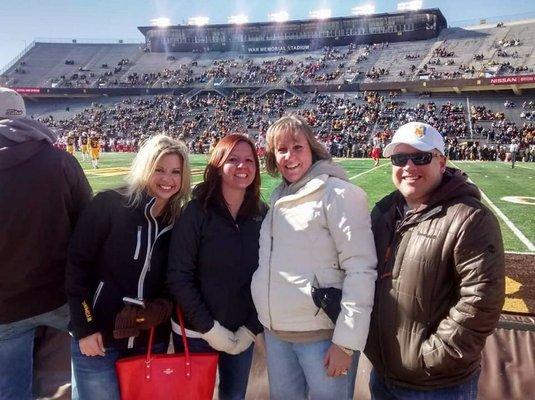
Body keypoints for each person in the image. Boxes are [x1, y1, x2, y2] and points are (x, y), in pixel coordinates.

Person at [365, 121, 505, 400]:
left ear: (441, 162)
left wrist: (430, 357)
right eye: (399, 158)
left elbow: (482, 301)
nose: (409, 166)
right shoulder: (384, 212)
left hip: (436, 385)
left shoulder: (470, 218)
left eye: (421, 157)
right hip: (383, 375)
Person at [250, 115, 377, 400]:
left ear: (313, 149)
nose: (290, 156)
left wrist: (346, 343)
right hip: (277, 334)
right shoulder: (279, 196)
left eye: (297, 147)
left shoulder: (338, 193)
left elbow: (361, 269)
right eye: (281, 150)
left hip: (321, 338)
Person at [66, 134, 191, 400]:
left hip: (149, 340)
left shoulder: (179, 220)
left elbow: (178, 277)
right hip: (98, 339)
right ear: (146, 167)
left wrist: (162, 307)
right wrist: (85, 327)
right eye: (159, 169)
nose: (167, 179)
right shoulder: (108, 204)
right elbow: (76, 267)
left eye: (175, 172)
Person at [0, 87, 92, 399]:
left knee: (12, 390)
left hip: (5, 306)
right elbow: (88, 226)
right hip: (60, 296)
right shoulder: (61, 162)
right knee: (89, 372)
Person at [167, 134, 266, 400]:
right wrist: (209, 328)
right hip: (196, 332)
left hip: (241, 332)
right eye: (232, 159)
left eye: (248, 160)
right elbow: (179, 276)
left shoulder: (262, 213)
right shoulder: (196, 212)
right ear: (217, 165)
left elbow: (270, 275)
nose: (242, 166)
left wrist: (251, 327)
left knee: (234, 396)